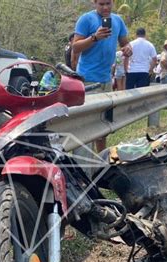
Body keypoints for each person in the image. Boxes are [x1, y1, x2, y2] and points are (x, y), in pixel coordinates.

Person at [72, 0, 132, 151]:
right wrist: (94, 37)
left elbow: (124, 42)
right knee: (88, 126)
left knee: (103, 126)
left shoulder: (118, 20)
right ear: (94, 3)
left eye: (108, 3)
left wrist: (128, 48)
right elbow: (75, 46)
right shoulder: (86, 19)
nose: (105, 7)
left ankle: (101, 161)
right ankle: (85, 165)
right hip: (88, 79)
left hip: (106, 80)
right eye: (101, 4)